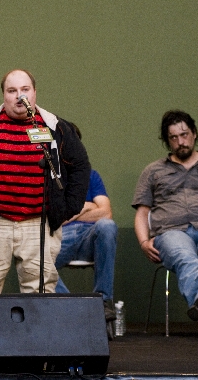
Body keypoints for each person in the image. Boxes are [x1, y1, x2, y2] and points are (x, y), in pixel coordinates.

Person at [0, 69, 91, 312]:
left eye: (25, 90)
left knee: (40, 291)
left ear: (34, 93)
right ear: (3, 95)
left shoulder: (55, 127)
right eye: (12, 91)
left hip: (39, 224)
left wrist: (65, 210)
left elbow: (80, 167)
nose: (19, 96)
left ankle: (39, 339)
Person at [132, 109, 198, 340]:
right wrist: (143, 242)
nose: (180, 142)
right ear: (167, 141)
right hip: (171, 232)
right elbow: (142, 213)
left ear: (194, 134)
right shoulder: (153, 171)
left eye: (184, 135)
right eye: (173, 137)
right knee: (186, 257)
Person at [55, 125, 118, 337]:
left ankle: (103, 301)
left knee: (107, 226)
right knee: (34, 261)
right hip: (60, 238)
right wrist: (87, 206)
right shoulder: (49, 178)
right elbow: (54, 218)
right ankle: (77, 310)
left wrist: (72, 210)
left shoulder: (91, 176)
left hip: (90, 238)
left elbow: (106, 213)